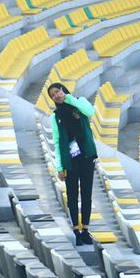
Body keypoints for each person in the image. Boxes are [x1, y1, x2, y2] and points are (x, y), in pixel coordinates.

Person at [48, 83, 98, 245]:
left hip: (86, 156)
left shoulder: (80, 102)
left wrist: (69, 99)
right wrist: (60, 167)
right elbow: (57, 142)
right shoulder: (55, 117)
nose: (57, 95)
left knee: (86, 194)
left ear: (64, 90)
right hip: (70, 159)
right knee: (72, 196)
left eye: (58, 91)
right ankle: (76, 229)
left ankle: (86, 229)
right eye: (53, 95)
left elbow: (90, 112)